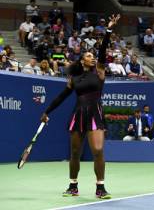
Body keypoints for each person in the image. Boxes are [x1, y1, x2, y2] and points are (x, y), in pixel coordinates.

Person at [40, 14, 121, 199]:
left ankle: (100, 188)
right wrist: (46, 112)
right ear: (82, 60)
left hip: (95, 114)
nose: (93, 58)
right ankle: (73, 185)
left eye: (93, 56)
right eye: (89, 56)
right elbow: (61, 97)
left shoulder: (99, 71)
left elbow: (102, 51)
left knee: (98, 151)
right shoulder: (74, 79)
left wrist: (108, 29)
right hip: (78, 114)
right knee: (75, 152)